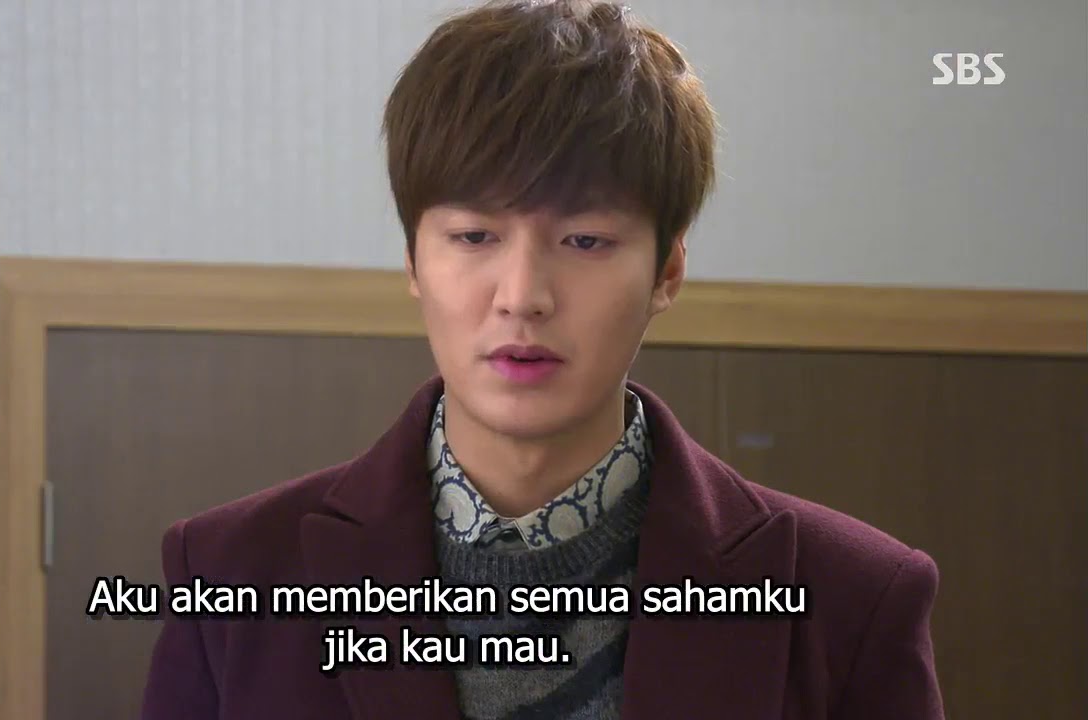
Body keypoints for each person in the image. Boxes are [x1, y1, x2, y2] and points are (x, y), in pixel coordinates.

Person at [140, 1, 945, 718]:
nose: (522, 295)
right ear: (414, 261)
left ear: (667, 272)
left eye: (585, 241)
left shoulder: (852, 599)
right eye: (473, 237)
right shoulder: (230, 577)